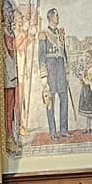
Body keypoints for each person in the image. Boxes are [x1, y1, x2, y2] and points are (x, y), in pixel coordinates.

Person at [39, 8, 70, 139]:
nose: (58, 18)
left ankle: (64, 130)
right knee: (50, 102)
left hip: (61, 70)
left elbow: (64, 53)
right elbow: (41, 56)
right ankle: (52, 131)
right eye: (56, 16)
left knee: (64, 100)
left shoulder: (60, 33)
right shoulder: (43, 34)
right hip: (51, 71)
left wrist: (67, 71)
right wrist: (44, 76)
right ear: (51, 18)